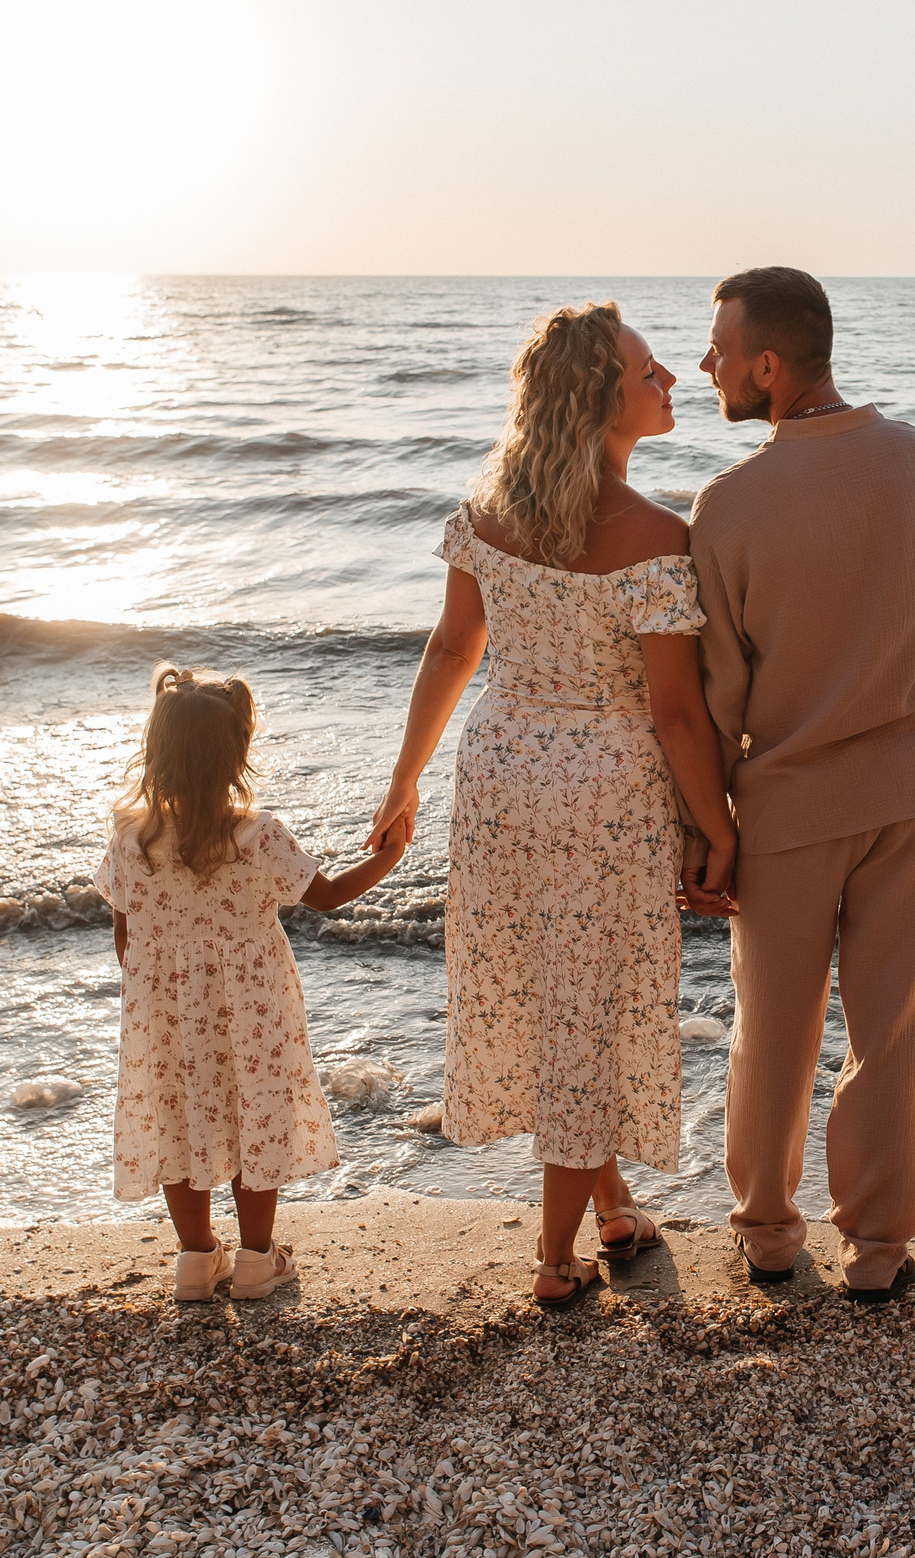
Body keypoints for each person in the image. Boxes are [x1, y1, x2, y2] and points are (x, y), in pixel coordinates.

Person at [368, 302, 739, 1308]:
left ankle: (612, 1208)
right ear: (600, 399)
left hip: (500, 776)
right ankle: (553, 1256)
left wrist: (404, 781)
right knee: (589, 1005)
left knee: (552, 996)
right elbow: (675, 714)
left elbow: (452, 651)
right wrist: (718, 828)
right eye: (650, 372)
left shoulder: (489, 511)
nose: (671, 380)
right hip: (605, 793)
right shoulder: (657, 535)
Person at [689, 265, 915, 1302]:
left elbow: (717, 697)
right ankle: (875, 1252)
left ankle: (769, 1238)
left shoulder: (727, 506)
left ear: (767, 367)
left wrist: (706, 829)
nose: (706, 363)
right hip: (914, 799)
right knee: (895, 1036)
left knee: (771, 1033)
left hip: (783, 810)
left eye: (720, 349)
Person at [95, 664, 406, 1303]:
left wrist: (159, 988)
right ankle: (257, 1259)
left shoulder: (132, 839)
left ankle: (195, 1257)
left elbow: (126, 933)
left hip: (163, 1008)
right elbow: (326, 897)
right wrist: (389, 856)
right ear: (237, 755)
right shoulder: (257, 835)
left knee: (179, 1120)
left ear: (157, 750)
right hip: (252, 1007)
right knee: (253, 1116)